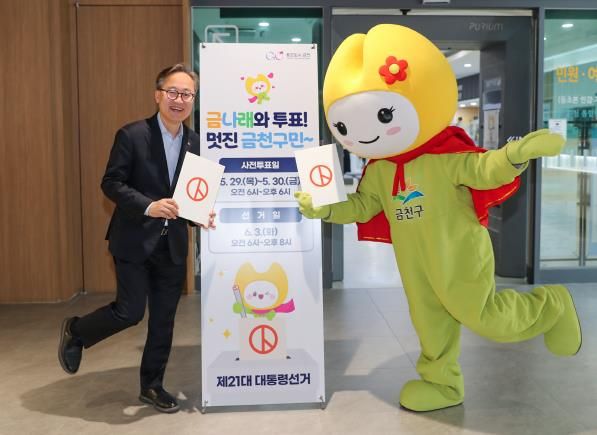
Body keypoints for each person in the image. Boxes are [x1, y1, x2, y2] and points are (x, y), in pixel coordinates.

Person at [58, 63, 214, 414]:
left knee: (163, 321)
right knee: (129, 313)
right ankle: (78, 331)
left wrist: (201, 215)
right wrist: (149, 206)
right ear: (158, 95)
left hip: (173, 245)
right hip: (133, 240)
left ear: (193, 100)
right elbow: (111, 183)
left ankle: (152, 386)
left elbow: (192, 196)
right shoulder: (131, 135)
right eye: (173, 92)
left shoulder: (196, 143)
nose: (179, 100)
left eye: (187, 94)